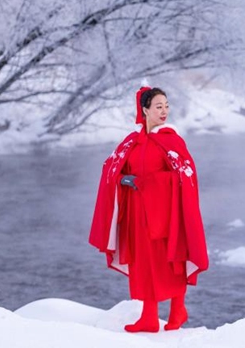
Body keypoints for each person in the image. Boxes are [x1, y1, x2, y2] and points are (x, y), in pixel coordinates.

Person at [88, 86, 209, 332]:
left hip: (165, 214)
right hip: (137, 213)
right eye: (158, 107)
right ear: (145, 110)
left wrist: (146, 183)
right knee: (143, 262)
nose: (164, 111)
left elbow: (185, 176)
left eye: (166, 106)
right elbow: (112, 166)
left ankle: (178, 310)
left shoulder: (171, 140)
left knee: (172, 258)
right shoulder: (132, 141)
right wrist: (122, 178)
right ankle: (149, 317)